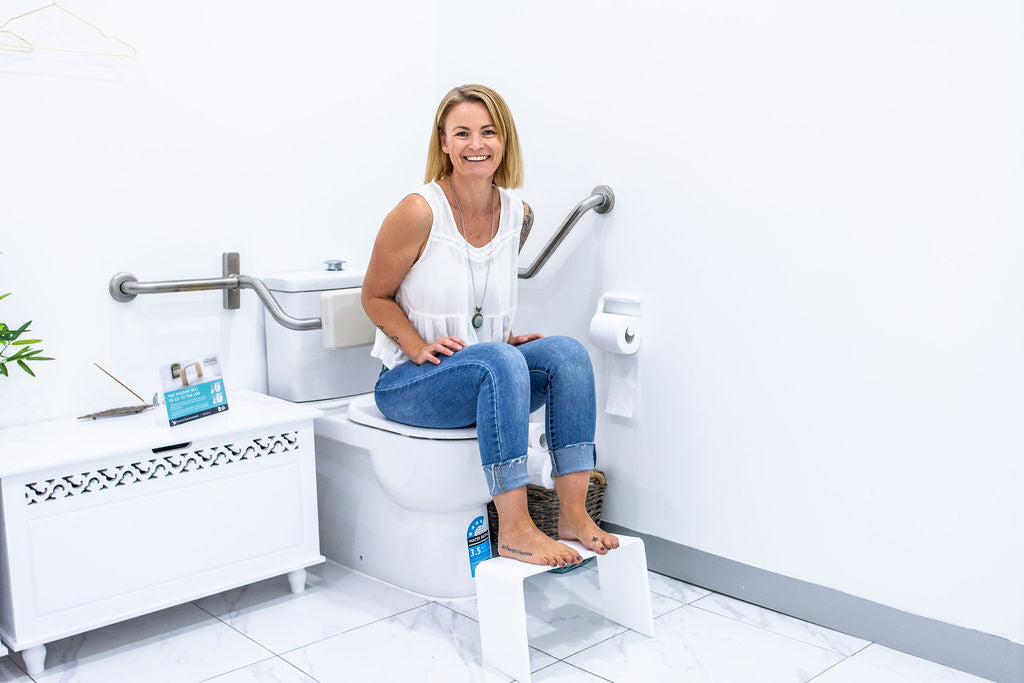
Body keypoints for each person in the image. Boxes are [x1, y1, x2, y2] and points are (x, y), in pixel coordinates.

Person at [361, 84, 618, 568]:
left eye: (487, 132)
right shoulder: (418, 211)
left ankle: (571, 514)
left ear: (504, 141)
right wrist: (416, 346)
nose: (475, 144)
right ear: (443, 142)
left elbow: (478, 288)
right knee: (499, 361)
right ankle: (516, 530)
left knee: (567, 354)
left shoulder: (519, 216)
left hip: (481, 374)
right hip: (409, 383)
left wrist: (500, 342)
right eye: (462, 133)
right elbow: (373, 296)